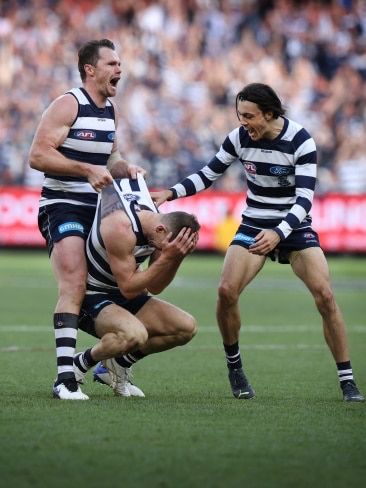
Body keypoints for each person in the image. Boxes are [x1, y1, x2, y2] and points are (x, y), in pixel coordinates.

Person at [151, 82, 364, 403]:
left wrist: (279, 233)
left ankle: (347, 379)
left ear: (269, 114)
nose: (243, 122)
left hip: (293, 226)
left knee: (325, 295)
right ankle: (235, 368)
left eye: (249, 116)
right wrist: (172, 192)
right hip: (254, 223)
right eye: (240, 115)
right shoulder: (239, 138)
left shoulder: (301, 141)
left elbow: (305, 200)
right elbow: (209, 173)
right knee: (226, 291)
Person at [28, 39, 145, 400]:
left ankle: (111, 361)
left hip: (97, 208)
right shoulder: (68, 104)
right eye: (111, 64)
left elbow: (110, 157)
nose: (119, 70)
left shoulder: (109, 109)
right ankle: (65, 378)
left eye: (120, 64)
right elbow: (37, 155)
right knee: (74, 280)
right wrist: (84, 168)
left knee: (123, 277)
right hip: (62, 205)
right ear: (90, 70)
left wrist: (124, 167)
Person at [72, 175, 200, 397]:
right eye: (169, 245)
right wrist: (168, 257)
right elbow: (129, 288)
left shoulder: (160, 231)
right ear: (161, 229)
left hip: (123, 295)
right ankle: (79, 364)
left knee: (186, 327)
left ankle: (117, 364)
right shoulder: (122, 227)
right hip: (93, 295)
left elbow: (156, 286)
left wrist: (175, 258)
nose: (165, 250)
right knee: (135, 334)